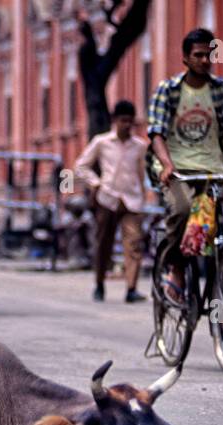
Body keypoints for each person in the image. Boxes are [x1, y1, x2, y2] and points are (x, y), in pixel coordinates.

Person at [148, 28, 223, 302]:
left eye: (209, 55)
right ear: (185, 58)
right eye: (198, 55)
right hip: (178, 171)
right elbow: (156, 133)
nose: (204, 60)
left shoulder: (222, 90)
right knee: (183, 211)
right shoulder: (169, 90)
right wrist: (166, 165)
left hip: (213, 171)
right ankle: (175, 268)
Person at [75, 99, 149, 302]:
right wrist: (96, 183)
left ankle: (131, 288)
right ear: (115, 120)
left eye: (130, 121)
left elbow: (142, 173)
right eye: (123, 120)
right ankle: (99, 283)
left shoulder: (140, 146)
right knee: (103, 244)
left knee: (134, 243)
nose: (127, 125)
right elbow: (81, 166)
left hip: (132, 201)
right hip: (107, 199)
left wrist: (143, 199)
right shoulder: (101, 142)